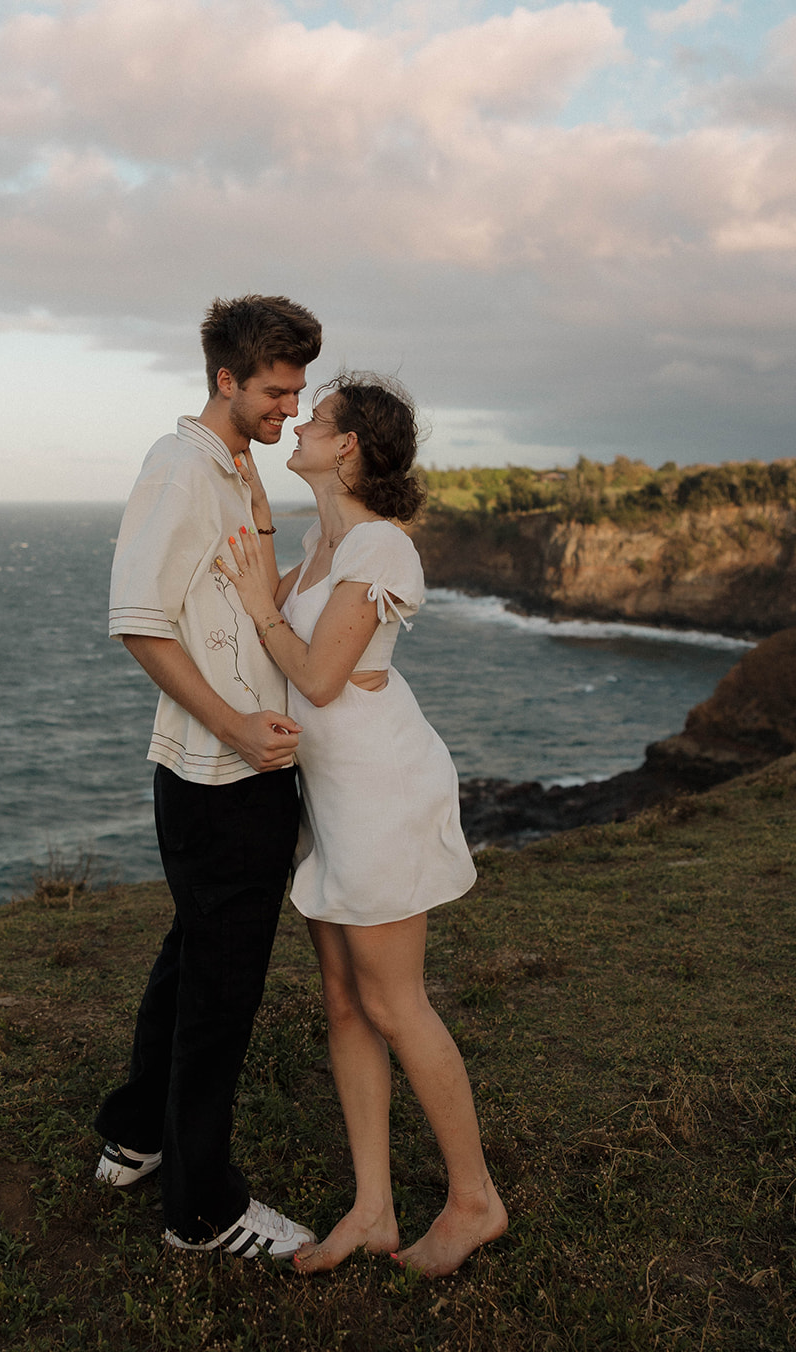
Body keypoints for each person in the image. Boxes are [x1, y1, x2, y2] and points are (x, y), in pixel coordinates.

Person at [216, 373, 508, 1276]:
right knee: (344, 1004)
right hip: (330, 798)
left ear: (347, 447)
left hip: (380, 791)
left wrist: (259, 605)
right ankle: (373, 1209)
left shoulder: (379, 549)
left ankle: (473, 1201)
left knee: (392, 1002)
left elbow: (318, 678)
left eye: (316, 417)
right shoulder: (319, 543)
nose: (297, 424)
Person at [94, 294, 323, 1261]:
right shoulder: (180, 466)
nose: (291, 409)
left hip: (239, 767)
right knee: (221, 993)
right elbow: (137, 619)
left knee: (194, 957)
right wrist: (233, 724)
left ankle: (137, 1134)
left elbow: (236, 607)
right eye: (276, 391)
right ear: (225, 380)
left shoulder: (230, 468)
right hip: (222, 771)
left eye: (299, 390)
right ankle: (201, 1211)